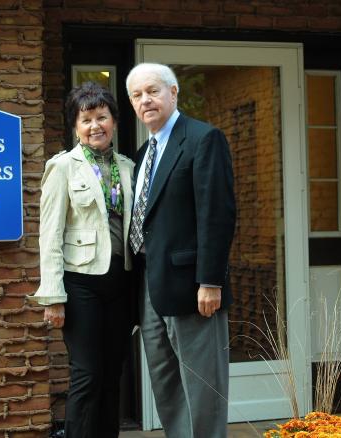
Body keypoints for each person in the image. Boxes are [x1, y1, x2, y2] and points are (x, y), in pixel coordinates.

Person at [126, 63, 236, 438]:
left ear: (174, 93)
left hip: (194, 289)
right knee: (167, 385)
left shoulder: (204, 139)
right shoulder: (143, 154)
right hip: (151, 288)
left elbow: (217, 214)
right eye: (137, 95)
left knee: (203, 387)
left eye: (153, 91)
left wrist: (210, 280)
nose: (146, 100)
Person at [32, 81, 134, 438]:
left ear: (115, 122)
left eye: (102, 117)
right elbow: (49, 235)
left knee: (112, 373)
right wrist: (53, 296)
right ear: (75, 126)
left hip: (121, 285)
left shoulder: (128, 167)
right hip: (80, 284)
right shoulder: (62, 168)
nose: (95, 126)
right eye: (86, 119)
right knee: (87, 374)